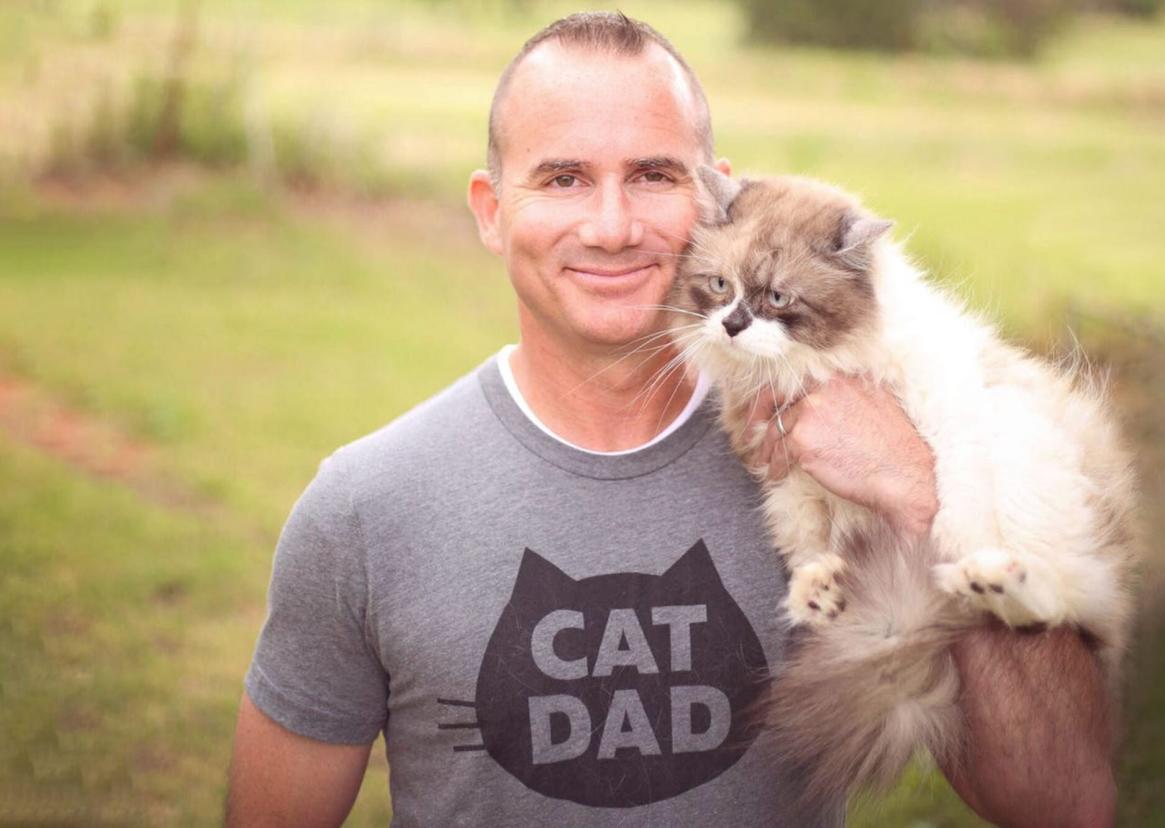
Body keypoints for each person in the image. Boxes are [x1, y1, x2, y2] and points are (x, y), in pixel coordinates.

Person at [225, 12, 1115, 827]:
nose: (611, 227)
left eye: (654, 176)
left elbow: (1063, 804)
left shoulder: (860, 464)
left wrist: (917, 494)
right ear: (493, 213)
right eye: (563, 177)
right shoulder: (365, 508)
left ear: (721, 200)